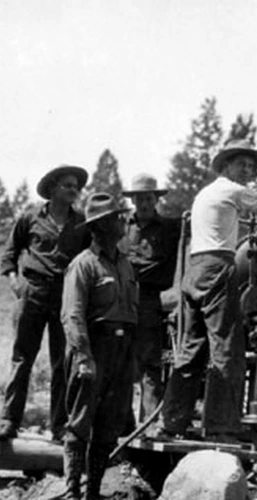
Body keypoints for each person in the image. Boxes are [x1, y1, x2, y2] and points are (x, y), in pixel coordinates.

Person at [158, 139, 257, 442]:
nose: (248, 170)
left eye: (252, 166)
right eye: (241, 164)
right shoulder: (231, 189)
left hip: (195, 269)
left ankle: (171, 423)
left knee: (190, 350)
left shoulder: (206, 193)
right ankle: (222, 427)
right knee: (228, 349)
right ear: (226, 165)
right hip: (218, 267)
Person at [0, 165, 89, 441]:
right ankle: (8, 420)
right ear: (52, 189)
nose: (73, 190)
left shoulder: (81, 222)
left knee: (62, 362)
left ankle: (59, 426)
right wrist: (17, 283)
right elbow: (9, 255)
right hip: (33, 293)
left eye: (76, 185)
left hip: (65, 296)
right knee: (22, 358)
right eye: (67, 185)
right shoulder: (30, 218)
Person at [61, 192, 138, 500]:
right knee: (80, 423)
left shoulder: (125, 265)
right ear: (103, 225)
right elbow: (73, 315)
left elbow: (132, 313)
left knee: (108, 426)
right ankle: (71, 492)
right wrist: (83, 357)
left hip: (121, 352)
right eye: (118, 217)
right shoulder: (83, 266)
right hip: (93, 349)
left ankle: (93, 492)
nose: (124, 221)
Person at [120, 173, 181, 427]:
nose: (143, 203)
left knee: (149, 364)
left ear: (155, 199)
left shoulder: (169, 228)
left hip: (149, 300)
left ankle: (148, 428)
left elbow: (162, 266)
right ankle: (123, 427)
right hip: (122, 298)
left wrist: (134, 268)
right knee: (121, 362)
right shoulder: (122, 226)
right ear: (133, 200)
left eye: (148, 198)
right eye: (139, 198)